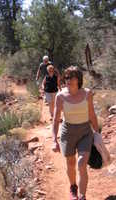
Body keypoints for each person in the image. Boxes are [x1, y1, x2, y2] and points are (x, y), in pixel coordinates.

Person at [52, 66, 99, 200]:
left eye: (71, 77)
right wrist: (54, 139)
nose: (68, 80)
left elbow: (92, 115)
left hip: (85, 131)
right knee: (71, 163)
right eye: (66, 77)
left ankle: (83, 196)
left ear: (78, 80)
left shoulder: (87, 93)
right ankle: (73, 187)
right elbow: (55, 120)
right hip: (68, 132)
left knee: (81, 164)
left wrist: (97, 134)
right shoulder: (60, 96)